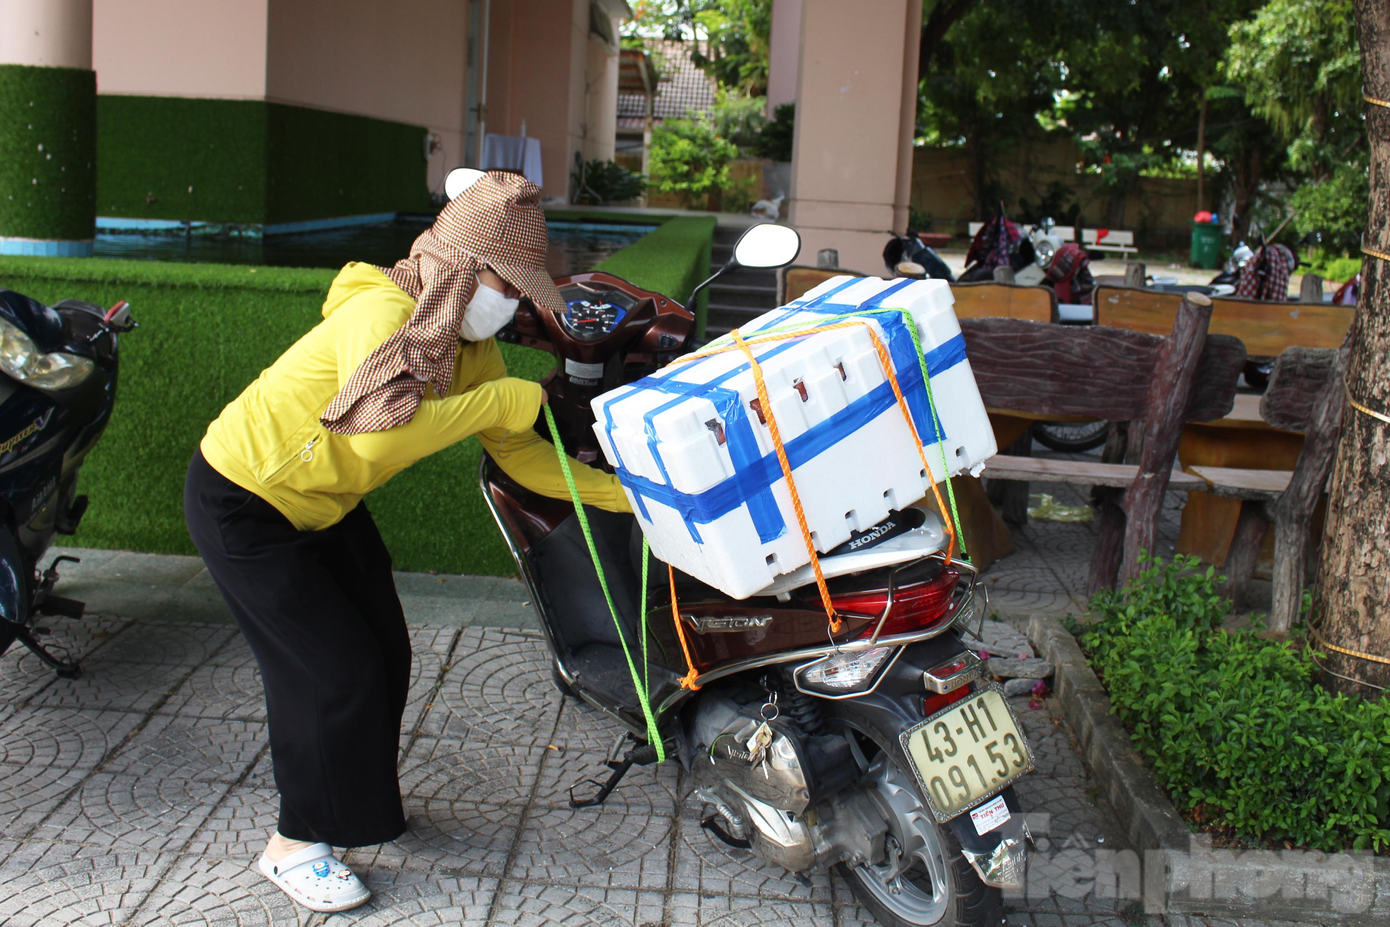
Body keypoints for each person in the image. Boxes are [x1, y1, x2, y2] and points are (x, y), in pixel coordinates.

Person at [183, 171, 629, 913]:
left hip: (324, 502)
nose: (514, 303)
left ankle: (351, 808)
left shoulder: (468, 349)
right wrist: (501, 401)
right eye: (506, 284)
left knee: (386, 652)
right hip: (244, 499)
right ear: (463, 267)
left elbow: (518, 454)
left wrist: (627, 499)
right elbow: (374, 440)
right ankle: (293, 845)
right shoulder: (383, 311)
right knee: (331, 670)